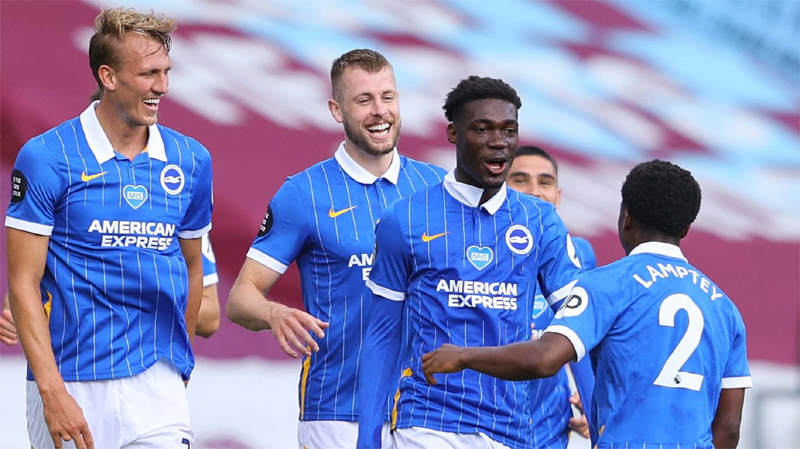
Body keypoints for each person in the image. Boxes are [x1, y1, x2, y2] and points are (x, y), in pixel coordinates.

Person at [422, 160, 751, 447]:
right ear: (686, 227)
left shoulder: (607, 284)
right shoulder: (724, 307)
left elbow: (545, 358)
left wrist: (462, 355)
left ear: (626, 217)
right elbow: (729, 427)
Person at [5, 7, 213, 449]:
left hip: (157, 384)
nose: (163, 86)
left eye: (166, 71)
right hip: (71, 381)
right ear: (109, 76)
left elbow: (194, 268)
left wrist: (180, 363)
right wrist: (51, 390)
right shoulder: (47, 156)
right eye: (148, 73)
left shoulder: (191, 160)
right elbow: (23, 281)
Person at [225, 49, 446, 449]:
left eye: (388, 97)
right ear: (336, 109)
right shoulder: (303, 193)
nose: (381, 111)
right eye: (364, 100)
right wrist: (275, 314)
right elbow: (241, 299)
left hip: (430, 413)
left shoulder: (438, 188)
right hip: (338, 412)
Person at [357, 76, 584, 449]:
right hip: (429, 422)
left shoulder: (540, 221)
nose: (499, 143)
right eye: (483, 129)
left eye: (509, 131)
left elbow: (579, 328)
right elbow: (382, 335)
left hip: (512, 430)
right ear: (453, 133)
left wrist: (598, 416)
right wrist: (368, 439)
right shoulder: (405, 219)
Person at [507, 146, 592, 445]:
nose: (535, 192)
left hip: (548, 427)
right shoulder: (476, 250)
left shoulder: (580, 253)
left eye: (544, 182)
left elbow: (581, 339)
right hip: (484, 419)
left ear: (558, 195)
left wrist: (593, 408)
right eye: (519, 180)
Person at [1, 233, 219, 345]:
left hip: (153, 374)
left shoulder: (175, 196)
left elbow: (210, 316)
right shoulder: (61, 178)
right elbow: (22, 294)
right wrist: (16, 313)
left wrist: (134, 300)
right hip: (70, 373)